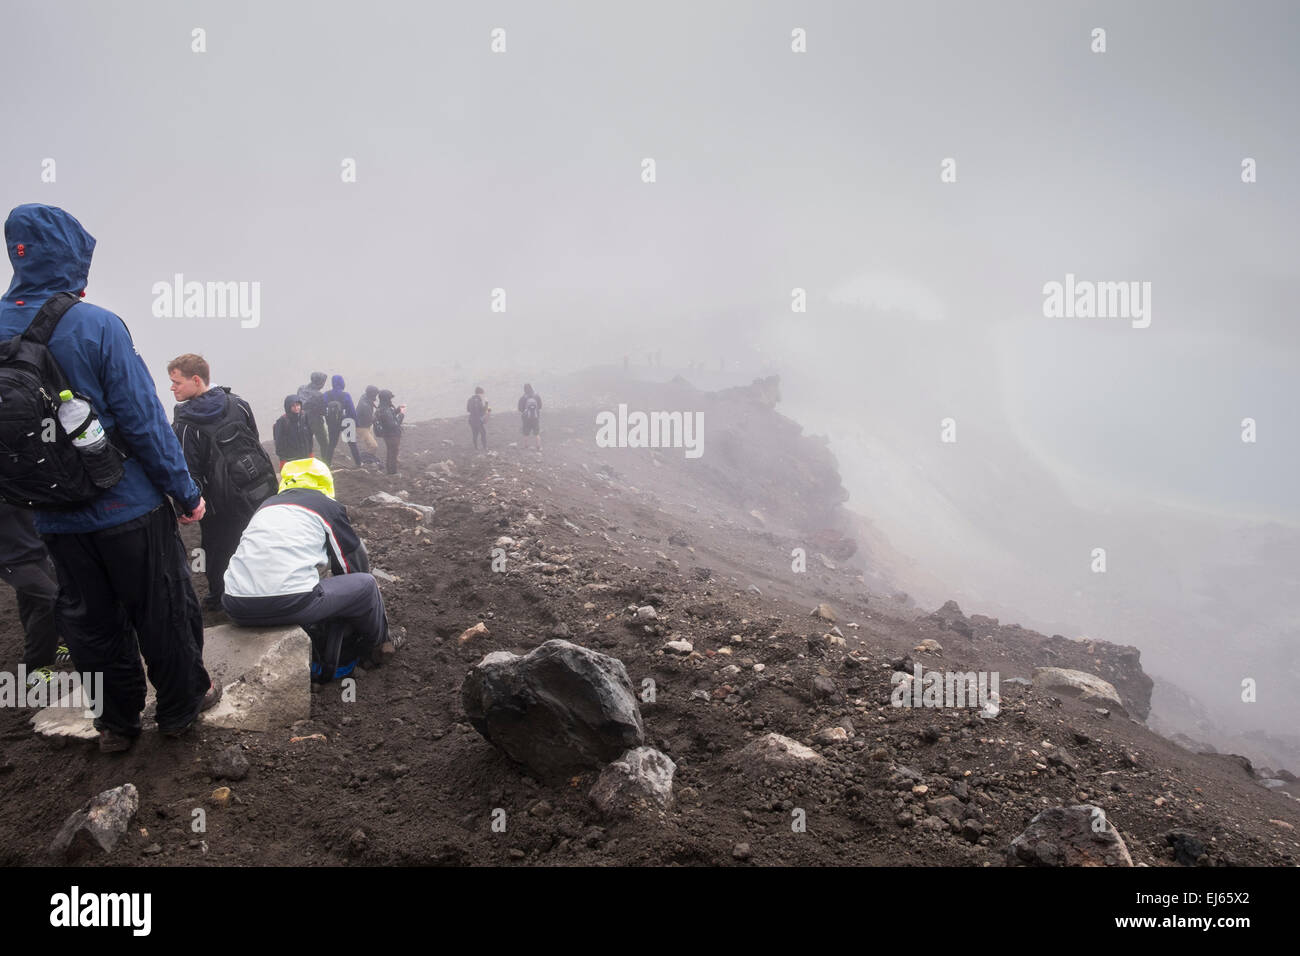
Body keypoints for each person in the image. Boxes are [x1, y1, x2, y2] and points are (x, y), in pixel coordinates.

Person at [0, 204, 219, 753]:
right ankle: (179, 707)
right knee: (162, 608)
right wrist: (185, 492)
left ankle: (117, 725)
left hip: (50, 515)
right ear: (72, 258)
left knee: (90, 622)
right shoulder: (96, 324)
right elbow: (143, 421)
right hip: (127, 507)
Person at [221, 458, 401, 681]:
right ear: (325, 482)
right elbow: (351, 566)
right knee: (366, 585)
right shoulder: (326, 506)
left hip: (234, 604)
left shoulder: (266, 506)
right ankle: (381, 644)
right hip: (289, 602)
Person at [168, 353, 278, 612]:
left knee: (216, 551)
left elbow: (188, 471)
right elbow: (254, 441)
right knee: (257, 540)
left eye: (176, 382)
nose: (172, 388)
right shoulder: (238, 403)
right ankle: (264, 589)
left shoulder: (185, 425)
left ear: (196, 380)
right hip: (256, 490)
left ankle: (220, 598)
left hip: (219, 506)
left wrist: (185, 506)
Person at [0, 502, 68, 687]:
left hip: (33, 549)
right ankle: (34, 668)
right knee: (51, 600)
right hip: (11, 558)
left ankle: (54, 645)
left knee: (33, 602)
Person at [323, 374, 361, 468]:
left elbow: (323, 409)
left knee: (331, 444)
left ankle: (327, 464)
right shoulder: (346, 395)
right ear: (342, 383)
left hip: (332, 423)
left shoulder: (326, 394)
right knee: (352, 443)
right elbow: (352, 411)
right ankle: (358, 463)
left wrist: (328, 420)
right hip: (346, 421)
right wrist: (356, 423)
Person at [296, 372, 330, 464]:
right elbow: (323, 412)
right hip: (315, 421)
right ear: (319, 383)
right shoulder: (319, 395)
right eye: (323, 383)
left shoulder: (301, 388)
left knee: (306, 443)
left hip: (301, 420)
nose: (323, 385)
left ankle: (306, 462)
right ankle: (326, 464)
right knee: (324, 443)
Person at [273, 395, 314, 466]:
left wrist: (310, 451)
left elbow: (310, 435)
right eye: (293, 406)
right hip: (291, 458)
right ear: (288, 407)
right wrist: (282, 459)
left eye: (298, 405)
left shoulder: (304, 416)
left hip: (305, 455)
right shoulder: (283, 421)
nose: (296, 408)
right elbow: (279, 442)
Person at [374, 389, 405, 475]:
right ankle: (393, 473)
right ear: (386, 398)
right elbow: (394, 424)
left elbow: (389, 418)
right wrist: (401, 414)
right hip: (392, 435)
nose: (391, 400)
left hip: (387, 435)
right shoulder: (385, 410)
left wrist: (397, 410)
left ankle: (390, 471)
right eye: (390, 398)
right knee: (393, 453)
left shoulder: (382, 408)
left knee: (390, 452)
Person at [354, 385, 381, 466]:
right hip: (362, 428)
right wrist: (378, 415)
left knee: (370, 445)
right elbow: (371, 419)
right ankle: (362, 459)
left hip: (366, 426)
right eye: (375, 394)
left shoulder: (365, 398)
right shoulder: (364, 405)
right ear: (371, 394)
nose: (376, 396)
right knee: (374, 446)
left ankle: (368, 460)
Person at [517, 383, 542, 451]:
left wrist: (525, 412)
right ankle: (538, 446)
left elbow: (520, 408)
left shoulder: (523, 397)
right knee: (536, 433)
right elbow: (540, 406)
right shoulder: (536, 396)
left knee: (526, 433)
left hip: (526, 418)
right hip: (535, 417)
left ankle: (526, 446)